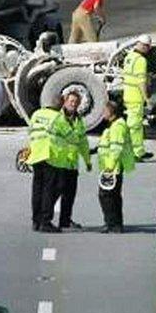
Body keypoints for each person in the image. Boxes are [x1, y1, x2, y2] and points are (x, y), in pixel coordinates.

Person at [54, 90, 91, 231]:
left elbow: (83, 143)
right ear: (65, 101)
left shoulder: (78, 120)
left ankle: (65, 221)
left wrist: (87, 161)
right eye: (71, 101)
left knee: (69, 195)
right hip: (58, 162)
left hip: (72, 164)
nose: (73, 104)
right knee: (54, 193)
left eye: (76, 102)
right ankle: (44, 219)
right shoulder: (57, 118)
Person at [25, 103, 65, 233]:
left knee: (37, 189)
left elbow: (30, 131)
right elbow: (67, 135)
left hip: (36, 154)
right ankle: (45, 221)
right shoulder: (58, 117)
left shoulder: (37, 113)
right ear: (59, 104)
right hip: (50, 155)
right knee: (49, 189)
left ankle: (35, 221)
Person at [96, 101, 135, 234]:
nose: (102, 114)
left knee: (107, 196)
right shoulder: (114, 125)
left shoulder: (118, 127)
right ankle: (115, 223)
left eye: (104, 111)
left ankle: (112, 224)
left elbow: (116, 149)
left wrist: (109, 167)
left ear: (111, 112)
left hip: (112, 168)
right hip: (111, 167)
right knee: (113, 196)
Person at [121, 34, 155, 160]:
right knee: (135, 126)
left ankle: (137, 151)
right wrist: (147, 99)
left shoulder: (129, 57)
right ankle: (136, 153)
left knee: (133, 124)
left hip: (127, 94)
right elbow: (141, 82)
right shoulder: (141, 60)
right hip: (135, 96)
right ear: (145, 46)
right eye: (148, 47)